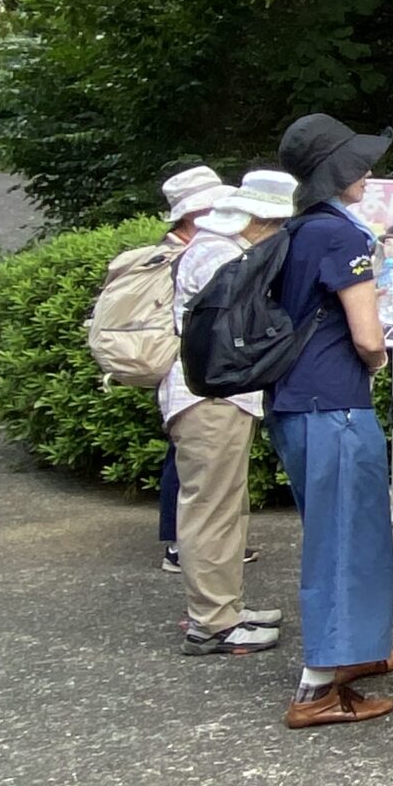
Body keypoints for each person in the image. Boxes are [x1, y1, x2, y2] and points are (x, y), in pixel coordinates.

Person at [270, 114, 393, 729]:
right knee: (345, 539)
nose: (367, 172)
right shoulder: (343, 236)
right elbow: (368, 336)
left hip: (295, 403)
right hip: (337, 409)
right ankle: (317, 687)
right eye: (357, 164)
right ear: (335, 172)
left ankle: (352, 651)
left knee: (339, 531)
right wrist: (378, 359)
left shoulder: (297, 229)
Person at [164, 171, 295, 656]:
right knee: (211, 509)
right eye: (276, 224)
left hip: (211, 396)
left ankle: (225, 608)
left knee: (224, 506)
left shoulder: (212, 247)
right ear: (256, 220)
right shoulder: (220, 255)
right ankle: (212, 623)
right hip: (210, 399)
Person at [154, 164, 226, 573]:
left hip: (179, 371)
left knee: (185, 461)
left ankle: (185, 544)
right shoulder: (188, 254)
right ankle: (182, 547)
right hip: (189, 374)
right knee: (190, 468)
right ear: (193, 214)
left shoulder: (170, 252)